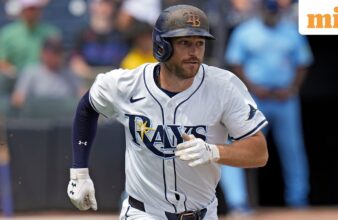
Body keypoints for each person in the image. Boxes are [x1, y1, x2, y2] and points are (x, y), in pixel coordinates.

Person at [67, 4, 269, 220]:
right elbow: (87, 107)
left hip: (203, 213)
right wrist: (79, 172)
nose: (194, 52)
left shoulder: (223, 86)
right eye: (184, 43)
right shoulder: (127, 84)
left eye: (199, 43)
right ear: (162, 46)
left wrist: (214, 151)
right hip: (143, 213)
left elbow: (259, 152)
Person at [225, 0, 313, 208]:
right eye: (268, 10)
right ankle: (239, 202)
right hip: (256, 100)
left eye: (274, 11)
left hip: (285, 99)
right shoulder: (245, 31)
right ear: (261, 10)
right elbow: (235, 62)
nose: (271, 14)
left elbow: (303, 62)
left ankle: (298, 200)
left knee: (292, 149)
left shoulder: (291, 31)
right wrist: (252, 88)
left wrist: (292, 88)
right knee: (239, 147)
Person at [0, 0, 61, 100]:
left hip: (44, 80)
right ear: (22, 10)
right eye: (29, 9)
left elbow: (57, 59)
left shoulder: (51, 33)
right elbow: (2, 61)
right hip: (15, 80)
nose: (32, 12)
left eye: (34, 8)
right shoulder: (7, 34)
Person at [11, 37, 84, 109]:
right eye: (48, 52)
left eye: (56, 52)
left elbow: (82, 94)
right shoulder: (31, 72)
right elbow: (18, 97)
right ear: (42, 53)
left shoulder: (69, 74)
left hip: (64, 117)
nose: (51, 56)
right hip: (38, 116)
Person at [69, 0, 128, 85]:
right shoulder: (83, 34)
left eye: (108, 5)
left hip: (114, 83)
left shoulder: (121, 36)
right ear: (93, 7)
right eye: (101, 4)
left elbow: (125, 63)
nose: (104, 9)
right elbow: (76, 61)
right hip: (89, 83)